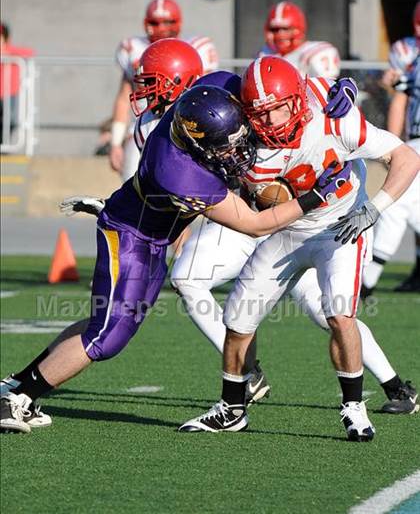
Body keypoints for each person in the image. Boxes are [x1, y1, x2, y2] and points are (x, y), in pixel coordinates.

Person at [0, 72, 351, 434]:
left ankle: (15, 385)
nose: (235, 150)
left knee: (103, 325)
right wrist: (316, 197)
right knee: (108, 337)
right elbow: (255, 225)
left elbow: (265, 83)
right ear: (198, 146)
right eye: (223, 147)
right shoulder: (179, 171)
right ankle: (17, 399)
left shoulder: (212, 97)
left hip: (155, 234)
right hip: (132, 237)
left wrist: (330, 86)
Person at [179, 56, 420, 440]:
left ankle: (354, 407)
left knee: (340, 314)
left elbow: (406, 157)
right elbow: (248, 206)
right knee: (238, 319)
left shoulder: (333, 115)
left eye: (279, 109)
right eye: (262, 114)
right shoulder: (244, 137)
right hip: (284, 230)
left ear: (297, 99)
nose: (272, 122)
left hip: (341, 226)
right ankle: (232, 408)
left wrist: (374, 209)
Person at [110, 0, 219, 182]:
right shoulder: (134, 49)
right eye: (155, 22)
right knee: (134, 189)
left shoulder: (195, 50)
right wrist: (115, 143)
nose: (161, 27)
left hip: (187, 131)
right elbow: (124, 98)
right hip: (143, 126)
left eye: (167, 22)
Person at [362, 1, 420, 295]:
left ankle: (368, 279)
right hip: (417, 141)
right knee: (404, 203)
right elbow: (401, 96)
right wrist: (395, 146)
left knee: (397, 203)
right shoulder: (413, 59)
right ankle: (369, 278)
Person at [259, 1, 340, 78]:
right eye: (275, 29)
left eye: (285, 29)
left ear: (298, 28)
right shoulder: (265, 53)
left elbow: (326, 89)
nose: (280, 34)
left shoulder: (318, 52)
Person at [0, 21, 34, 145]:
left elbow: (30, 53)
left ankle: (3, 143)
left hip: (10, 93)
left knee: (11, 120)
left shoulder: (11, 52)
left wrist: (7, 51)